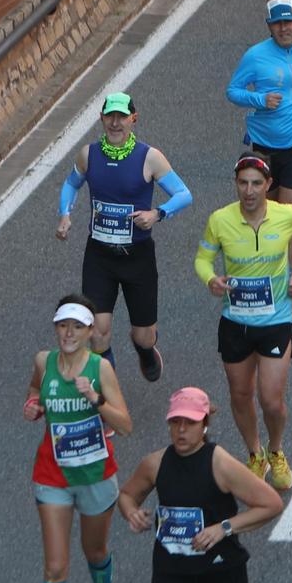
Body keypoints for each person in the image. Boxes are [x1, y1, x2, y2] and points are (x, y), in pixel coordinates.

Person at [117, 386, 284, 583]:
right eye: (175, 422)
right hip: (172, 574)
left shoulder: (220, 463)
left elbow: (271, 504)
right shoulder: (155, 463)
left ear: (205, 424)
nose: (181, 430)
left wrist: (223, 528)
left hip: (220, 575)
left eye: (190, 423)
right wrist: (131, 513)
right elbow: (128, 495)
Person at [195, 156, 292, 491]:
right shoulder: (220, 220)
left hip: (276, 319)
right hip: (235, 320)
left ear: (267, 184)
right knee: (240, 395)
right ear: (236, 184)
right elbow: (203, 259)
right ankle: (254, 453)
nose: (249, 191)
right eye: (242, 183)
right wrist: (211, 281)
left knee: (271, 401)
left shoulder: (287, 215)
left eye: (256, 183)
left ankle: (276, 450)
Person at [55, 92, 192, 381]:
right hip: (99, 257)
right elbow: (71, 184)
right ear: (102, 118)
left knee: (143, 336)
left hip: (137, 257)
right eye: (110, 116)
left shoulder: (150, 157)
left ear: (133, 118)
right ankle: (107, 396)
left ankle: (145, 351)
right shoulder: (88, 154)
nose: (115, 123)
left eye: (122, 117)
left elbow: (183, 194)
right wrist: (65, 214)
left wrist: (158, 213)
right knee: (98, 334)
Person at [26, 296, 133, 583]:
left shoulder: (100, 368)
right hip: (52, 475)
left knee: (95, 551)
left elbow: (126, 425)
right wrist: (32, 405)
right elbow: (34, 388)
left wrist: (95, 398)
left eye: (76, 327)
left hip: (95, 476)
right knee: (55, 568)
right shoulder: (44, 361)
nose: (68, 333)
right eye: (62, 326)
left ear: (90, 332)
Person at [224, 0, 292, 208]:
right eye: (276, 23)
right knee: (266, 209)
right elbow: (233, 91)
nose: (283, 28)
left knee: (288, 212)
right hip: (265, 145)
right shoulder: (255, 56)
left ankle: (290, 239)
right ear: (269, 25)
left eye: (289, 22)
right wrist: (260, 99)